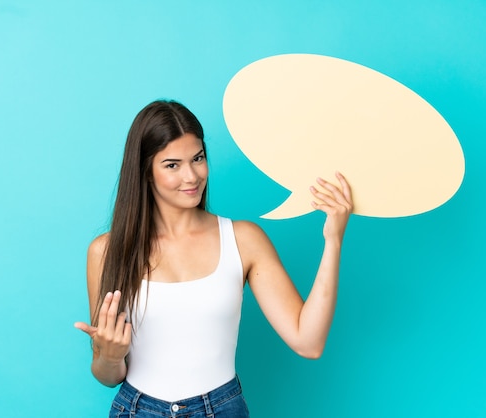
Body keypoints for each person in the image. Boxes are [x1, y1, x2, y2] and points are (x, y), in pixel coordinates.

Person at [74, 100, 353, 417]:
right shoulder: (107, 251)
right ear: (145, 171)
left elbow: (309, 342)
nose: (191, 176)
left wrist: (333, 240)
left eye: (198, 158)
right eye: (172, 165)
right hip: (137, 409)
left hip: (221, 409)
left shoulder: (244, 240)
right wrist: (109, 356)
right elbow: (107, 376)